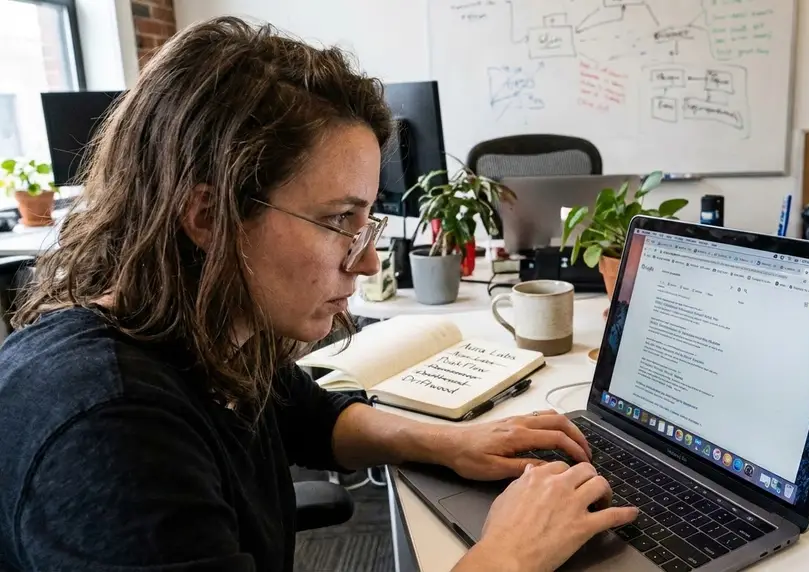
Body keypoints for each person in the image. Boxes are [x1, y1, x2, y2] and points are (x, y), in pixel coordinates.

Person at [0, 17, 636, 572]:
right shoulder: (112, 435)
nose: (362, 261)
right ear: (209, 216)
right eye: (338, 221)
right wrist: (510, 556)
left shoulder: (201, 335)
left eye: (366, 224)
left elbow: (306, 414)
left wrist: (453, 442)